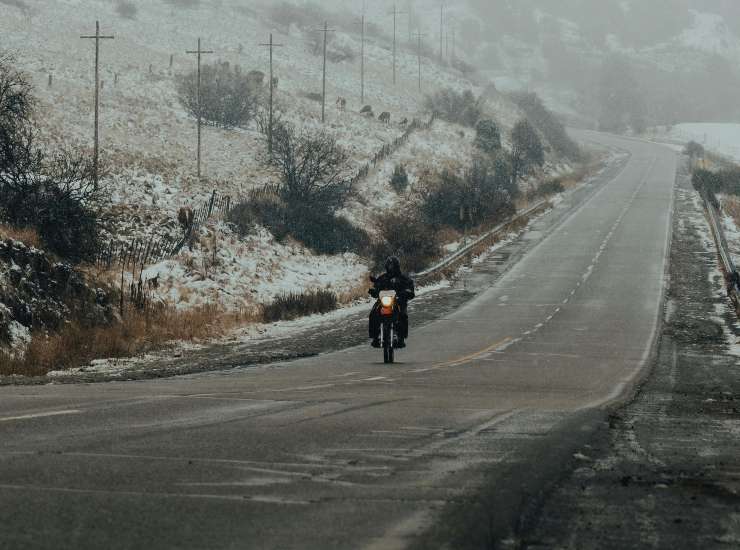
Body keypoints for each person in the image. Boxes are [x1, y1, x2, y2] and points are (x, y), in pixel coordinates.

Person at [368, 256, 415, 348]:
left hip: (398, 301)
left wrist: (408, 291)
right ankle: (375, 336)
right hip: (383, 301)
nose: (391, 268)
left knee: (403, 315)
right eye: (389, 266)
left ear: (397, 266)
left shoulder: (403, 278)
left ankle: (401, 337)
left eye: (392, 266)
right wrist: (373, 290)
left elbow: (410, 286)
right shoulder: (383, 278)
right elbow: (376, 285)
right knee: (373, 313)